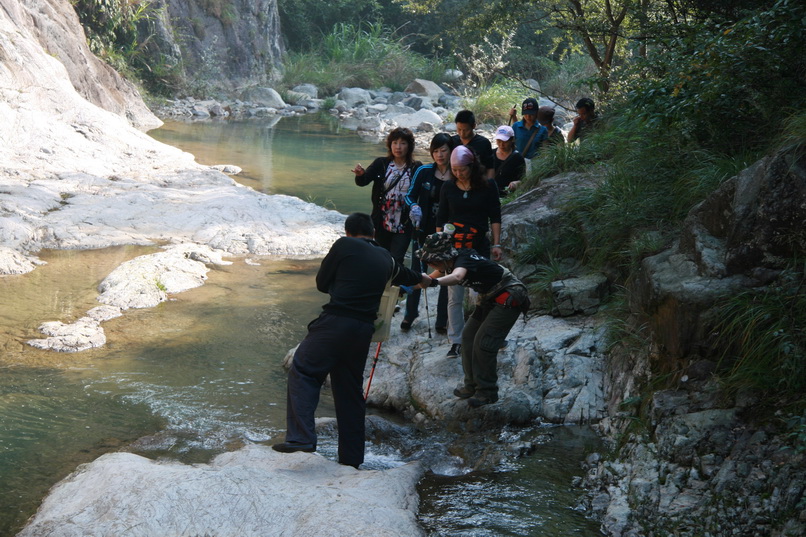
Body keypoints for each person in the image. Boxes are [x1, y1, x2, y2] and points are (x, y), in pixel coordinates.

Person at [273, 212, 431, 468]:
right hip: (362, 331)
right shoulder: (387, 257)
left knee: (303, 370)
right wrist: (429, 279)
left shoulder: (344, 245)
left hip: (335, 322)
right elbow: (411, 276)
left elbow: (322, 284)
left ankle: (301, 438)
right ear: (373, 233)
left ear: (348, 232)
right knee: (349, 392)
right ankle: (351, 459)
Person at [417, 232, 530, 407]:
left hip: (508, 296)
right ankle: (471, 385)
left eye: (432, 261)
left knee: (483, 343)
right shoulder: (448, 263)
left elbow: (457, 277)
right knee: (468, 337)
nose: (430, 264)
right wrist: (407, 286)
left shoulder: (464, 258)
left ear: (444, 257)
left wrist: (433, 283)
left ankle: (487, 392)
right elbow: (430, 277)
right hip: (488, 298)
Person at [436, 145, 502, 359]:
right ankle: (456, 341)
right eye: (454, 170)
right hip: (454, 248)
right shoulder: (448, 187)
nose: (458, 173)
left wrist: (497, 244)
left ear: (472, 166)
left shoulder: (488, 185)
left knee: (483, 293)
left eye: (462, 169)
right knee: (454, 297)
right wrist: (439, 246)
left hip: (478, 246)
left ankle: (488, 334)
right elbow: (441, 219)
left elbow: (495, 216)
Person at [401, 133, 455, 332]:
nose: (439, 155)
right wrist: (414, 206)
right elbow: (409, 195)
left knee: (445, 273)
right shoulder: (423, 171)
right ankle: (410, 314)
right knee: (417, 272)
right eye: (436, 151)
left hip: (447, 234)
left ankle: (442, 319)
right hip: (422, 230)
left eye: (443, 150)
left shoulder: (457, 172)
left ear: (451, 151)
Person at [352, 127, 422, 264]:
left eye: (403, 143)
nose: (398, 147)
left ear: (409, 146)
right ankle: (383, 277)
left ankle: (394, 277)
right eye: (395, 143)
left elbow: (423, 191)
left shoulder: (416, 167)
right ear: (390, 145)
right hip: (382, 219)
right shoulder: (381, 163)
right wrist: (360, 175)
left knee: (397, 258)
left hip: (405, 221)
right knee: (380, 256)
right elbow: (363, 181)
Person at [450, 110, 494, 179]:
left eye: (465, 130)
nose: (462, 133)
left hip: (478, 181)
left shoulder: (483, 143)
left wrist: (490, 182)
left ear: (474, 126)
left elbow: (490, 167)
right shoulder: (452, 141)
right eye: (459, 129)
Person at [491, 125, 526, 196]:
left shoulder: (518, 158)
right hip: (491, 193)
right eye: (499, 141)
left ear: (512, 140)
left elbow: (523, 179)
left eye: (505, 141)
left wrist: (516, 183)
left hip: (508, 195)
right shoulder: (490, 154)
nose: (501, 144)